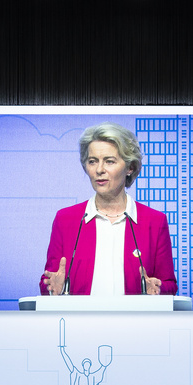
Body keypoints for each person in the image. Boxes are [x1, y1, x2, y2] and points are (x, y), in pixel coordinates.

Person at [40, 122, 176, 297]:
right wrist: (53, 289)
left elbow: (169, 285)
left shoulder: (154, 221)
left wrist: (157, 289)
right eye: (92, 161)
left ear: (130, 167)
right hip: (80, 323)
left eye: (109, 161)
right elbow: (48, 282)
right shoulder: (66, 219)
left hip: (134, 323)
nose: (99, 170)